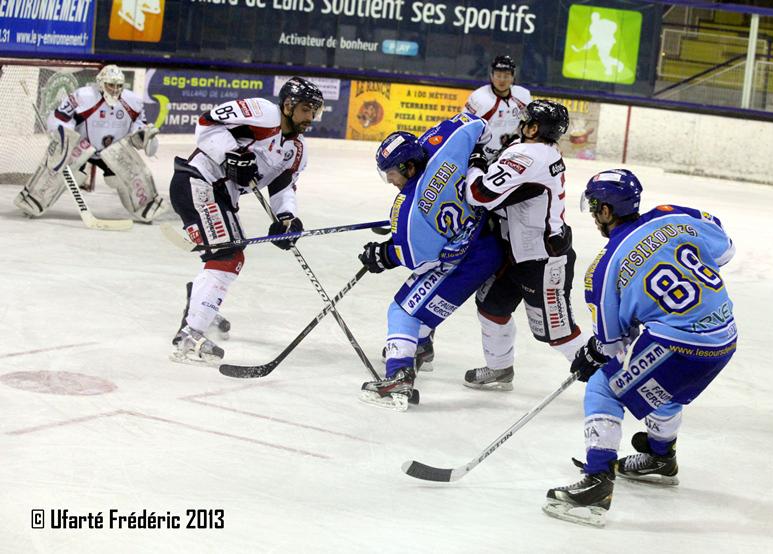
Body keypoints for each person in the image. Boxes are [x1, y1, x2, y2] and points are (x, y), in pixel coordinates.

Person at [543, 169, 737, 528]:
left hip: (680, 344)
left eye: (595, 208)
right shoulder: (673, 215)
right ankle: (661, 457)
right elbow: (725, 251)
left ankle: (597, 481)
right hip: (725, 338)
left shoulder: (603, 268)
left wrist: (591, 356)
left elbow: (611, 344)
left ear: (605, 211)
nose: (594, 216)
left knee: (604, 384)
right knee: (661, 385)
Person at [169, 77, 324, 364]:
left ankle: (200, 305)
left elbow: (283, 187)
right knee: (228, 255)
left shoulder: (297, 151)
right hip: (198, 181)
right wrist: (232, 155)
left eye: (314, 111)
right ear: (288, 105)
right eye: (306, 109)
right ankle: (190, 336)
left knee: (226, 254)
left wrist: (287, 218)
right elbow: (206, 123)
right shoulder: (263, 112)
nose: (310, 117)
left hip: (220, 194)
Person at [358, 113, 504, 411]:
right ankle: (421, 346)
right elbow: (478, 125)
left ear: (409, 167)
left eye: (391, 173)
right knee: (421, 307)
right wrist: (479, 160)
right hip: (490, 241)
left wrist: (384, 255)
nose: (389, 180)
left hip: (465, 263)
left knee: (402, 310)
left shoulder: (407, 209)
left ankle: (399, 375)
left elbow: (419, 261)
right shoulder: (444, 141)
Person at [462, 100, 585, 391]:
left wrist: (476, 162)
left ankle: (613, 383)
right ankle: (500, 368)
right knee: (491, 308)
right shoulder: (538, 149)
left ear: (534, 128)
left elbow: (479, 194)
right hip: (516, 251)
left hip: (542, 260)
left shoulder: (529, 156)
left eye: (526, 121)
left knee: (558, 333)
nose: (522, 124)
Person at [14, 65, 164, 222]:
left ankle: (146, 207)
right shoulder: (82, 96)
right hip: (81, 146)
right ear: (101, 84)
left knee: (129, 174)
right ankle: (33, 200)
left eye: (119, 86)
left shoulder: (133, 102)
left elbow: (139, 129)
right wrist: (63, 135)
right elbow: (60, 117)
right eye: (110, 85)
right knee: (62, 169)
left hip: (114, 150)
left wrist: (146, 138)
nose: (115, 90)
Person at [464, 55, 532, 162]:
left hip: (510, 156)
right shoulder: (479, 98)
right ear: (491, 76)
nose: (502, 80)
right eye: (498, 75)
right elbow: (465, 127)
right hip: (480, 156)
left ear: (513, 77)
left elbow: (528, 121)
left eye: (506, 76)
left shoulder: (523, 95)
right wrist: (475, 154)